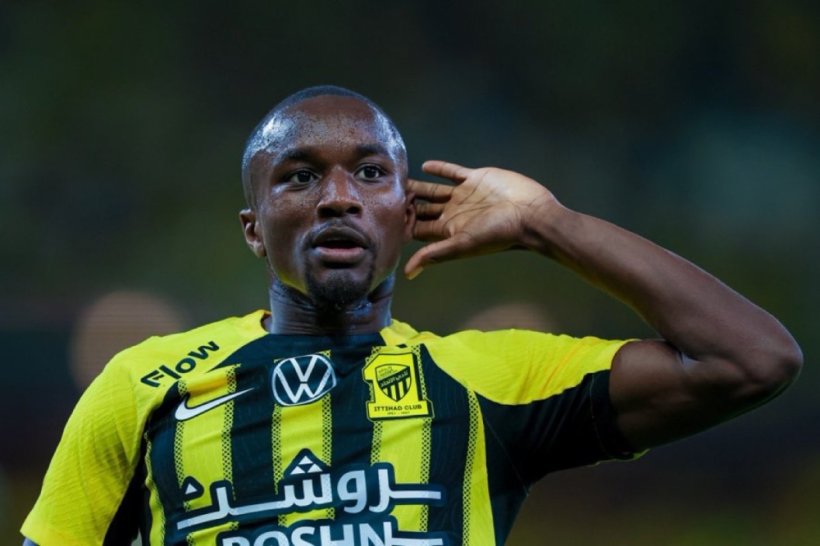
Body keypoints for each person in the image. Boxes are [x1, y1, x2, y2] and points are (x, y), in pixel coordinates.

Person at [21, 85, 802, 546]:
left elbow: (753, 359)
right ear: (254, 230)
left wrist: (548, 226)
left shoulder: (488, 381)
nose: (338, 197)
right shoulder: (142, 384)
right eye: (300, 177)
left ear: (406, 214)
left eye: (369, 173)